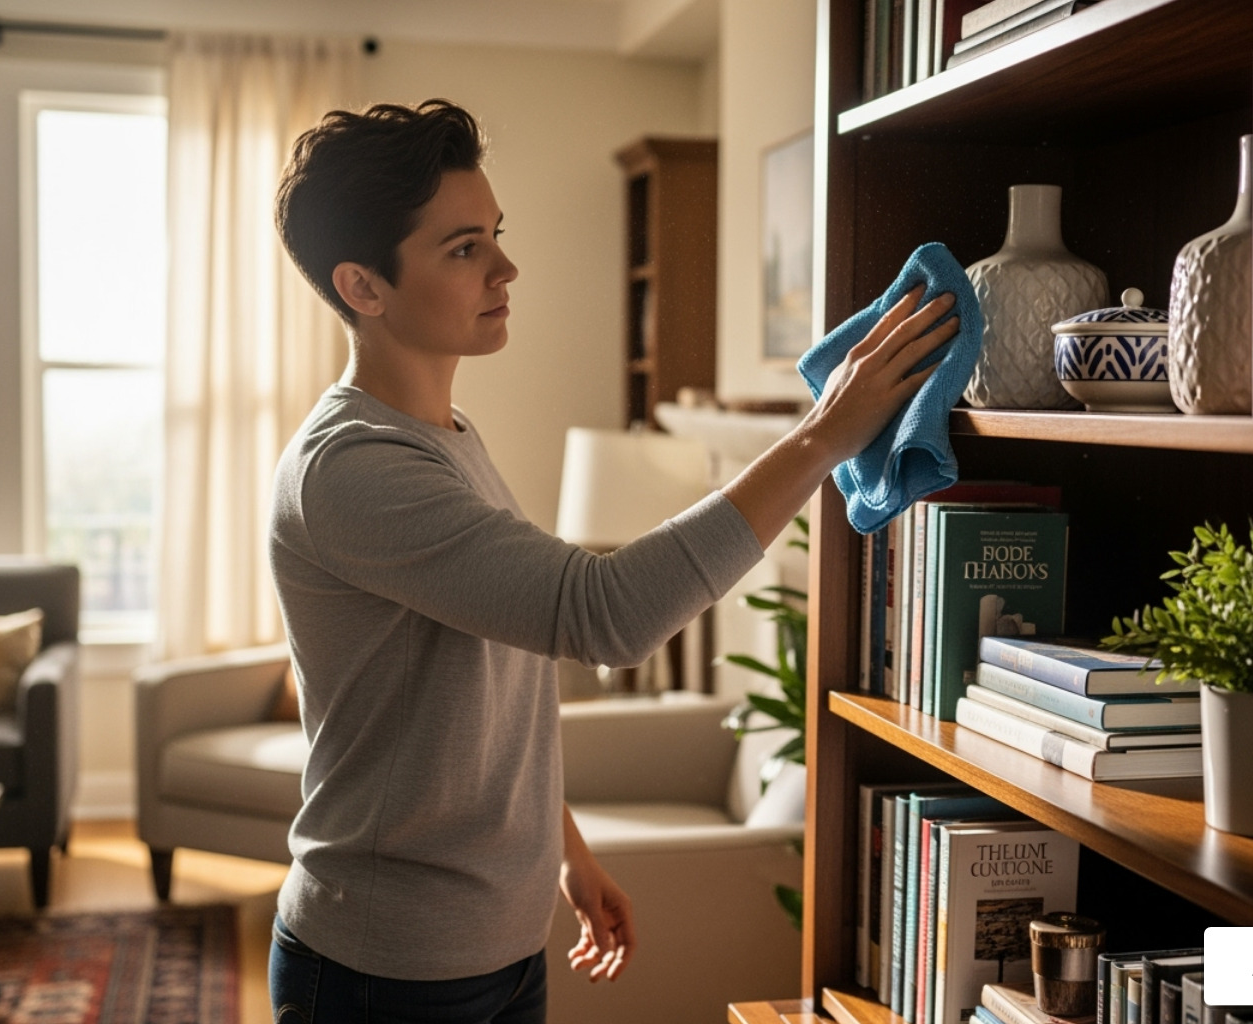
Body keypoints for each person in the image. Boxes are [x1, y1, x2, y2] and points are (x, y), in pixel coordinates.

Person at [266, 97, 959, 1023]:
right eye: (464, 248)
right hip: (385, 971)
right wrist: (823, 436)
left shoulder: (446, 437)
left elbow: (475, 692)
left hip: (499, 949)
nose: (507, 267)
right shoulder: (352, 469)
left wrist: (563, 850)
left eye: (496, 235)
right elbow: (604, 615)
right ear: (364, 287)